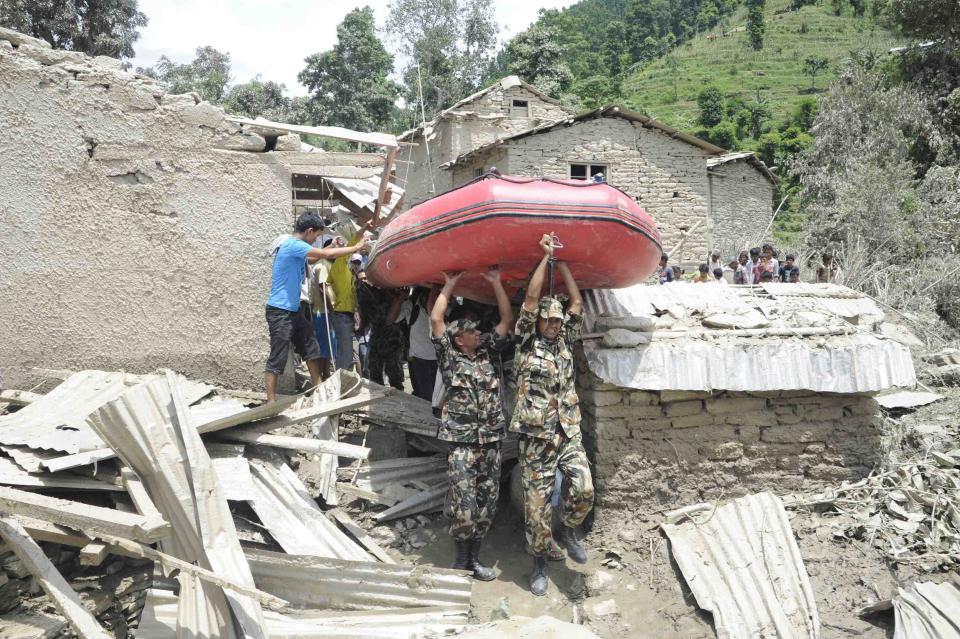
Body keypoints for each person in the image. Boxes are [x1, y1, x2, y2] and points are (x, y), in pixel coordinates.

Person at [511, 234, 594, 597]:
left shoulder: (564, 340)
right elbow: (530, 299)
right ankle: (541, 565)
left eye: (558, 322)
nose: (555, 326)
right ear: (540, 321)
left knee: (584, 488)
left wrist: (568, 266)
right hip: (536, 437)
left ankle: (571, 531)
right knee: (537, 510)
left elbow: (576, 301)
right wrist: (545, 259)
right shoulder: (526, 343)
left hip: (567, 430)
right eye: (549, 321)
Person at [430, 268, 513, 582]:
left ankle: (475, 559)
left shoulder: (489, 355)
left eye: (479, 332)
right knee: (463, 504)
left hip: (491, 444)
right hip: (463, 445)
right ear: (459, 338)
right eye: (473, 332)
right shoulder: (451, 359)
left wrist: (495, 283)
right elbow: (437, 321)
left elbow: (506, 321)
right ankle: (460, 559)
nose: (479, 334)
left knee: (485, 505)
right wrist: (449, 284)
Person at [264, 213, 363, 402]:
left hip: (294, 310)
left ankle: (319, 390)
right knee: (278, 355)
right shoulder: (293, 244)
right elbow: (324, 255)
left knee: (311, 348)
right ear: (309, 231)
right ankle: (270, 401)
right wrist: (356, 247)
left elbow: (310, 259)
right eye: (316, 236)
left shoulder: (297, 249)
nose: (315, 240)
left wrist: (333, 246)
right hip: (279, 311)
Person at [327, 231, 368, 372]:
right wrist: (360, 233)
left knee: (346, 352)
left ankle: (342, 381)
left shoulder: (346, 273)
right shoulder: (339, 266)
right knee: (346, 353)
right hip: (342, 316)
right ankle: (340, 383)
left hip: (346, 316)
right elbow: (348, 249)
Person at [356, 277, 406, 390]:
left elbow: (388, 319)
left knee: (393, 372)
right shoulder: (366, 300)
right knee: (375, 370)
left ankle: (397, 397)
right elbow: (364, 321)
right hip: (379, 335)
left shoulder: (384, 294)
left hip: (391, 336)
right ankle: (381, 394)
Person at [406, 286, 440, 402]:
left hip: (437, 359)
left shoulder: (443, 309)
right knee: (424, 396)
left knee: (436, 397)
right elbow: (392, 320)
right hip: (418, 359)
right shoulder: (411, 307)